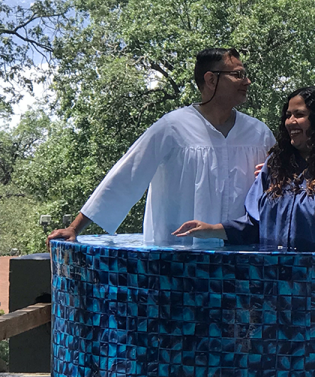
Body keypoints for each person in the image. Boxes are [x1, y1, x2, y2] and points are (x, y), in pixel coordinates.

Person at [47, 48, 275, 246]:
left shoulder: (258, 133)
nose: (247, 82)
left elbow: (288, 183)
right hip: (177, 255)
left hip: (242, 258)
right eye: (238, 75)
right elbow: (126, 175)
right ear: (211, 79)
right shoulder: (172, 128)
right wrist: (75, 228)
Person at [173, 86, 315, 251]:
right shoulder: (276, 164)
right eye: (288, 115)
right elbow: (254, 223)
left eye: (299, 115)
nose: (290, 122)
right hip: (273, 279)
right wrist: (211, 230)